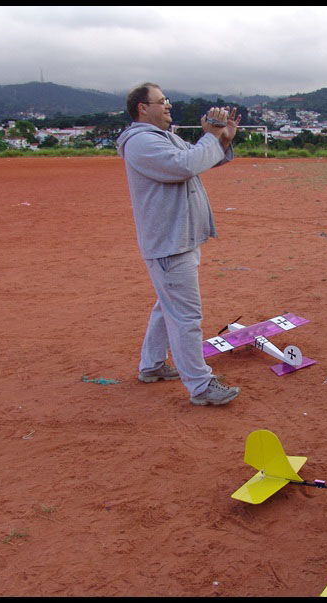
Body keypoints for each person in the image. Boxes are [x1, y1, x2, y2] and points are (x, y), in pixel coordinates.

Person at [116, 82, 242, 405]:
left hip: (177, 238)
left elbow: (197, 158)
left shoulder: (162, 138)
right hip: (170, 243)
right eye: (162, 101)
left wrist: (222, 137)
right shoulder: (141, 142)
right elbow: (184, 166)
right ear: (142, 108)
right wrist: (211, 135)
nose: (168, 105)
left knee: (167, 306)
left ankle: (152, 365)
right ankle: (200, 387)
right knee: (186, 316)